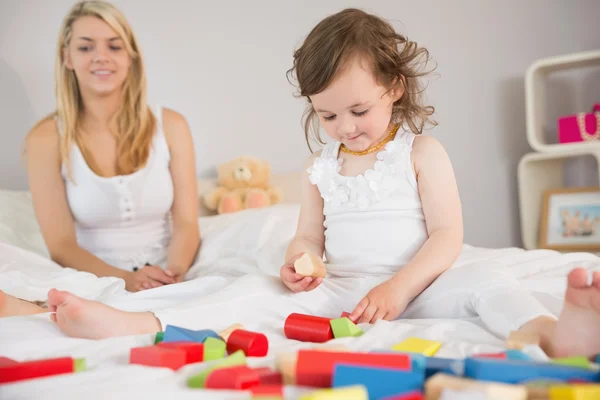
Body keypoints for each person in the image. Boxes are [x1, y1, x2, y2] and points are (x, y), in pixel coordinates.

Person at [8, 9, 600, 360]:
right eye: (328, 116)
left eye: (358, 111)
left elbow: (447, 238)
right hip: (344, 289)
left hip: (421, 284)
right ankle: (137, 323)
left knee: (487, 282)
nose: (345, 128)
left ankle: (554, 332)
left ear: (394, 87)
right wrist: (301, 263)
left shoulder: (422, 152)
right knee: (255, 292)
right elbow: (307, 238)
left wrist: (397, 290)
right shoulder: (322, 170)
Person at [0, 0, 199, 317]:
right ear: (67, 57)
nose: (101, 57)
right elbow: (62, 244)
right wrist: (128, 280)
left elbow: (187, 223)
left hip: (171, 270)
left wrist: (171, 275)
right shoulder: (45, 138)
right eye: (85, 47)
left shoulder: (172, 126)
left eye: (114, 46)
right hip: (90, 279)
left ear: (131, 56)